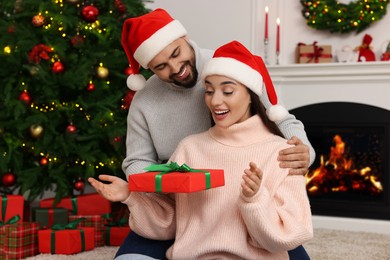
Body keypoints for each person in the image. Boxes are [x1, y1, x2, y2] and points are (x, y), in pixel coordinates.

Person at [104, 8, 314, 259]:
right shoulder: (148, 104)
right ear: (149, 68)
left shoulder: (230, 67)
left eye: (176, 53)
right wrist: (168, 183)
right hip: (179, 207)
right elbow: (137, 162)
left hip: (246, 213)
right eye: (161, 66)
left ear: (184, 38)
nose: (176, 67)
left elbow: (280, 117)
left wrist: (302, 152)